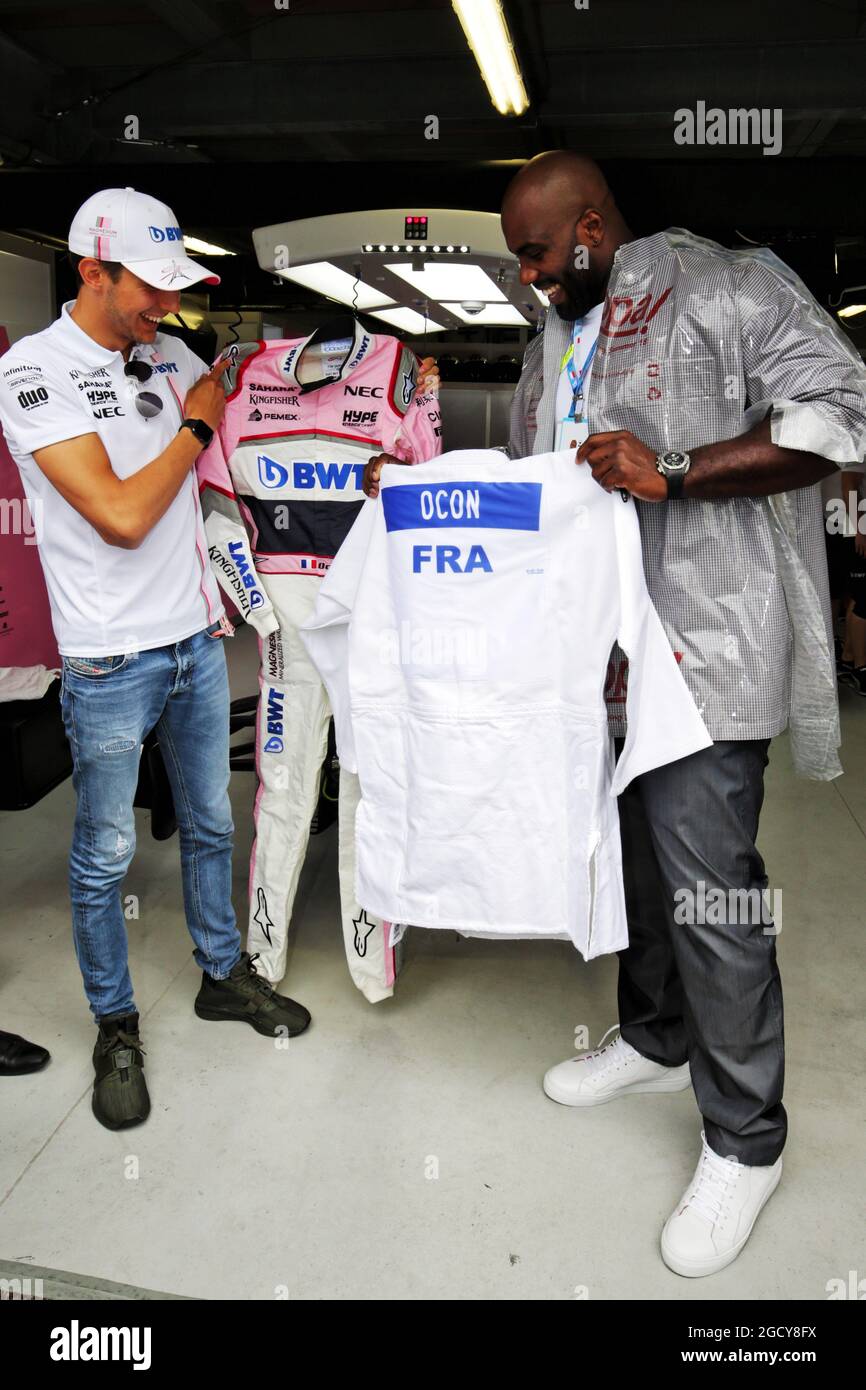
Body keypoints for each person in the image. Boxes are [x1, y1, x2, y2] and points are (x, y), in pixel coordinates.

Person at [365, 151, 866, 1277]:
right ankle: (651, 1037)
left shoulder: (725, 284)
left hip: (702, 647)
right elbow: (547, 484)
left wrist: (674, 469)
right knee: (632, 863)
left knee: (709, 889)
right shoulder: (555, 337)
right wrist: (411, 498)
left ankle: (745, 1139)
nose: (529, 275)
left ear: (589, 226)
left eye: (538, 252)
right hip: (594, 658)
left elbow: (847, 409)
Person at [0, 188, 311, 1133]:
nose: (165, 309)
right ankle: (116, 1023)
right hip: (107, 658)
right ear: (92, 268)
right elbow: (124, 515)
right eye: (149, 287)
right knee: (103, 854)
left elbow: (244, 399)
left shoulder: (171, 352)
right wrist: (198, 423)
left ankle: (221, 975)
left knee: (213, 823)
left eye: (176, 291)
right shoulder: (32, 371)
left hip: (196, 639)